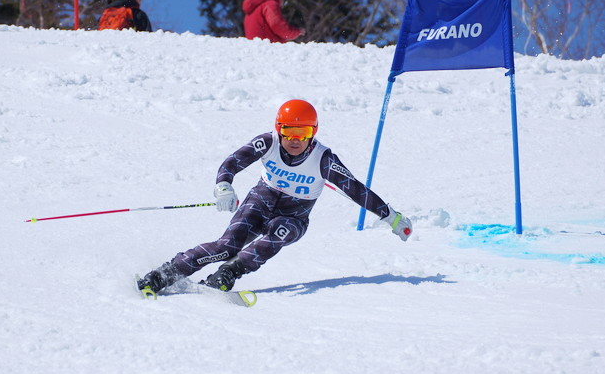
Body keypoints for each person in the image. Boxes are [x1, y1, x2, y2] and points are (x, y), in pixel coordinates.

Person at [136, 99, 413, 297]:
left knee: (279, 234)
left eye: (302, 133)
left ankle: (229, 273)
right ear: (279, 129)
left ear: (313, 133)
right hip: (260, 201)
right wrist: (224, 186)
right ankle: (166, 273)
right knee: (226, 245)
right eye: (288, 132)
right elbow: (233, 161)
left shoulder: (323, 159)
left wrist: (391, 216)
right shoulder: (267, 142)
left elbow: (356, 189)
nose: (294, 140)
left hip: (293, 216)